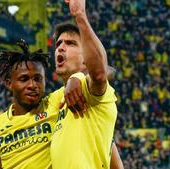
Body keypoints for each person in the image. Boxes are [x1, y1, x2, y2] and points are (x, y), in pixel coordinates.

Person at [50, 0, 121, 168]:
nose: (60, 47)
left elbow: (100, 73)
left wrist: (79, 15)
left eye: (70, 43)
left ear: (86, 57)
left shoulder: (92, 90)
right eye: (58, 43)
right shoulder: (54, 99)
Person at [0, 40, 63, 169]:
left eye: (38, 79)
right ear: (9, 83)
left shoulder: (56, 103)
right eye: (24, 79)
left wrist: (76, 78)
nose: (32, 85)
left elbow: (101, 73)